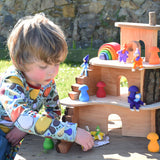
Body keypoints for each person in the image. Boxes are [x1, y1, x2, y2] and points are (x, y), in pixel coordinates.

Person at [0, 13, 94, 159]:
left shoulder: (47, 82)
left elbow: (54, 111)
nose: (52, 71)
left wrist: (24, 129)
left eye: (56, 63)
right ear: (21, 61)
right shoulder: (12, 82)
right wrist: (71, 132)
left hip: (14, 136)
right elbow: (24, 118)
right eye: (43, 66)